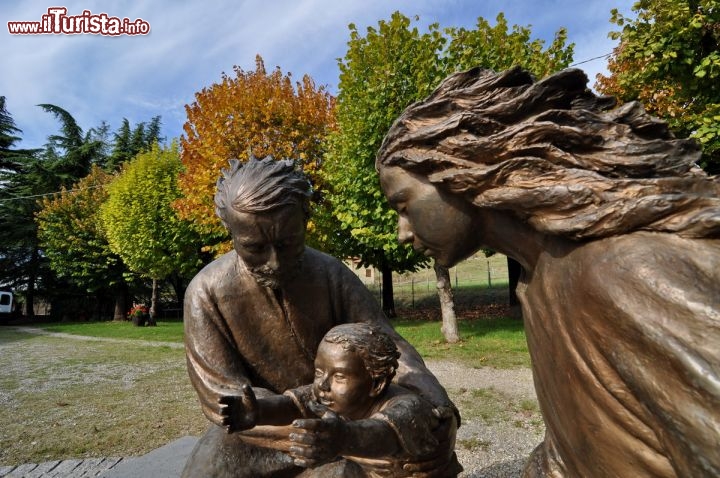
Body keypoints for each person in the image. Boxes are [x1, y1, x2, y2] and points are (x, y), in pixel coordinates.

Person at [375, 66, 720, 478]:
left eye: (403, 205)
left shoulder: (621, 271)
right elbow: (578, 444)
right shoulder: (537, 281)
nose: (402, 233)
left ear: (457, 167)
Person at [182, 156, 459, 478]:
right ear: (230, 231)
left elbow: (390, 348)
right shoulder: (206, 292)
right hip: (265, 430)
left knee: (419, 454)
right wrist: (333, 443)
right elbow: (226, 400)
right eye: (254, 247)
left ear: (305, 219)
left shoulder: (330, 273)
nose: (274, 262)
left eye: (287, 243)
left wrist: (442, 409)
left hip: (349, 415)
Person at [227, 322, 462, 477]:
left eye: (339, 376)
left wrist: (343, 438)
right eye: (319, 372)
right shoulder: (328, 393)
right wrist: (259, 411)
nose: (323, 384)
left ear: (377, 384)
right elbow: (293, 403)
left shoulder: (409, 407)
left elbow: (382, 433)